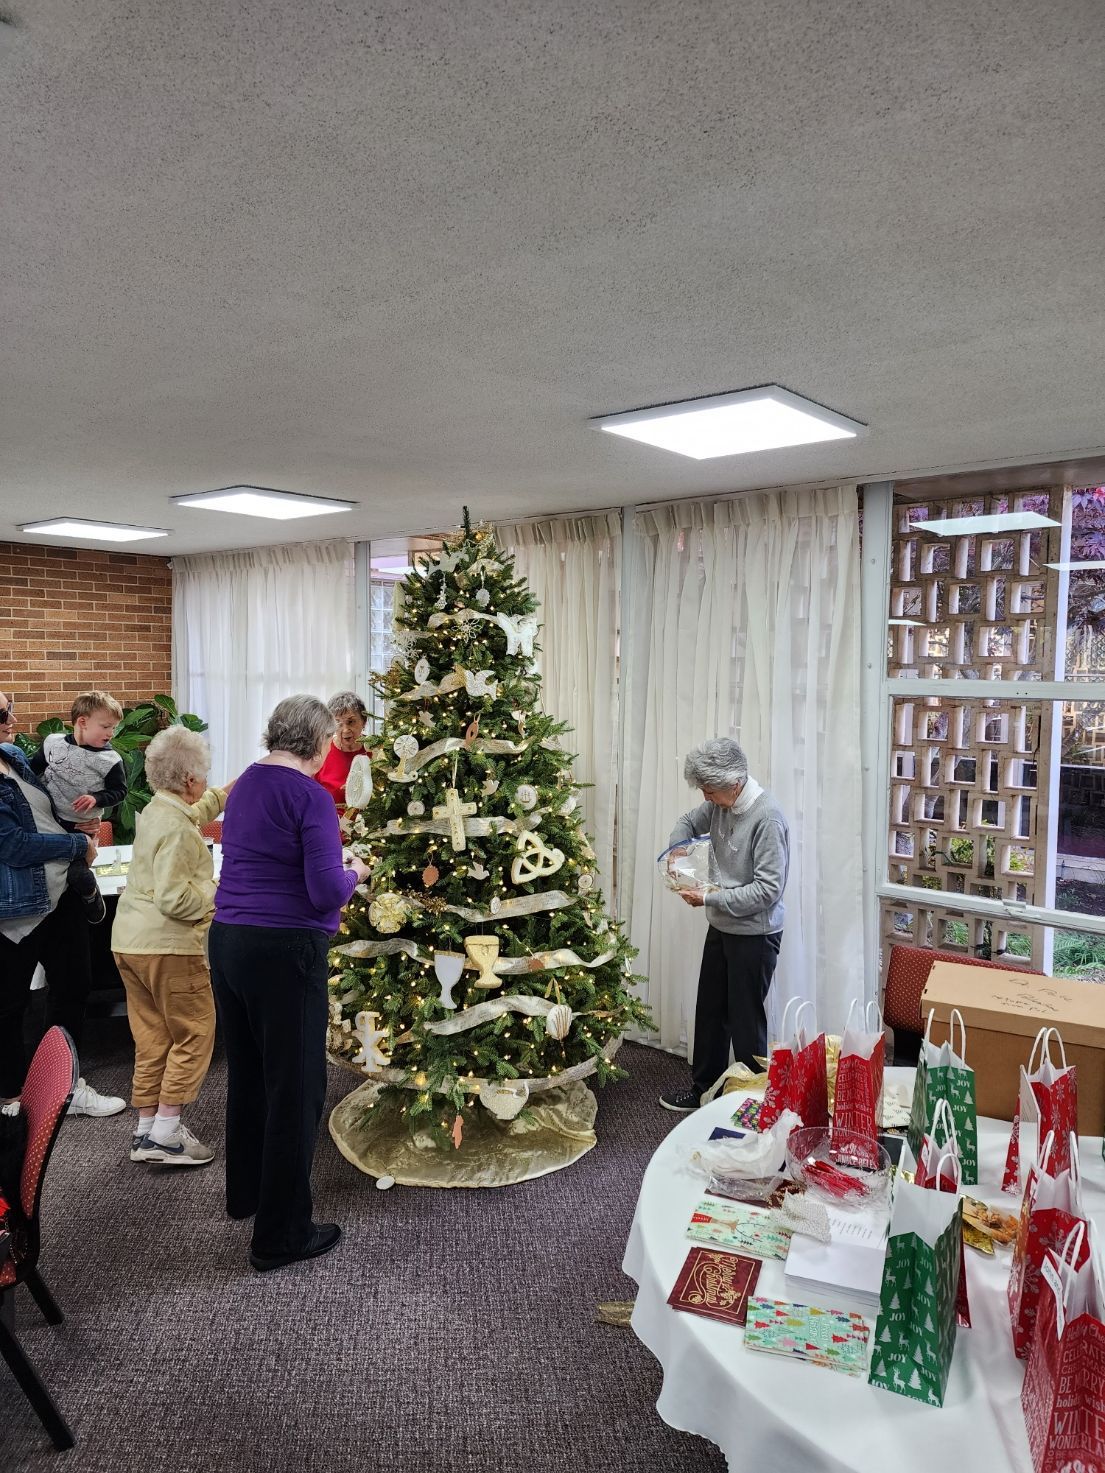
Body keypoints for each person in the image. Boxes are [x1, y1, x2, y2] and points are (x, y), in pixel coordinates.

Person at [210, 695, 372, 1272]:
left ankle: (248, 1195)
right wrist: (357, 870)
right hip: (285, 950)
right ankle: (281, 1235)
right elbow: (327, 890)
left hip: (229, 939)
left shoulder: (248, 782)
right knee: (296, 1088)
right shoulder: (309, 795)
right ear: (321, 740)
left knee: (250, 1074)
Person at [112, 726, 234, 1168]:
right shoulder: (179, 831)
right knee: (194, 1031)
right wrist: (219, 891)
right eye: (203, 775)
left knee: (153, 1036)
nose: (204, 781)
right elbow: (175, 899)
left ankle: (146, 1129)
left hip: (130, 942)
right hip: (169, 947)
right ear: (188, 780)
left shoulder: (155, 811)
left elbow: (192, 813)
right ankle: (167, 1133)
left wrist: (223, 793)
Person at [0, 688, 124, 1115]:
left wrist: (91, 820)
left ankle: (65, 1085)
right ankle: (12, 1096)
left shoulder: (13, 756)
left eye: (10, 709)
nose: (12, 720)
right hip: (17, 905)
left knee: (73, 985)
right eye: (4, 713)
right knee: (10, 1002)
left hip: (59, 890)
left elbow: (49, 806)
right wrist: (75, 843)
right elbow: (12, 845)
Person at [659, 737, 790, 1113]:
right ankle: (705, 1093)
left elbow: (768, 891)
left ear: (734, 783)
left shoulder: (767, 818)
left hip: (756, 935)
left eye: (709, 790)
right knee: (711, 1012)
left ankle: (749, 1102)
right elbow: (687, 821)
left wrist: (709, 897)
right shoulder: (719, 803)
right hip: (721, 927)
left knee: (746, 1023)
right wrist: (677, 848)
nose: (706, 797)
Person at [31, 690, 127, 925]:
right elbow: (32, 771)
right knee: (50, 875)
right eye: (105, 726)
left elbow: (120, 791)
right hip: (49, 822)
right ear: (82, 722)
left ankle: (92, 897)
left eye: (113, 727)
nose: (111, 733)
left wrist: (96, 798)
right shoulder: (52, 743)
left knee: (77, 875)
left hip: (82, 827)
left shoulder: (110, 759)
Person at [314, 691, 369, 807]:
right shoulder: (321, 752)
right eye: (338, 723)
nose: (345, 730)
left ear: (364, 721)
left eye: (351, 722)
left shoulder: (376, 750)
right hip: (331, 820)